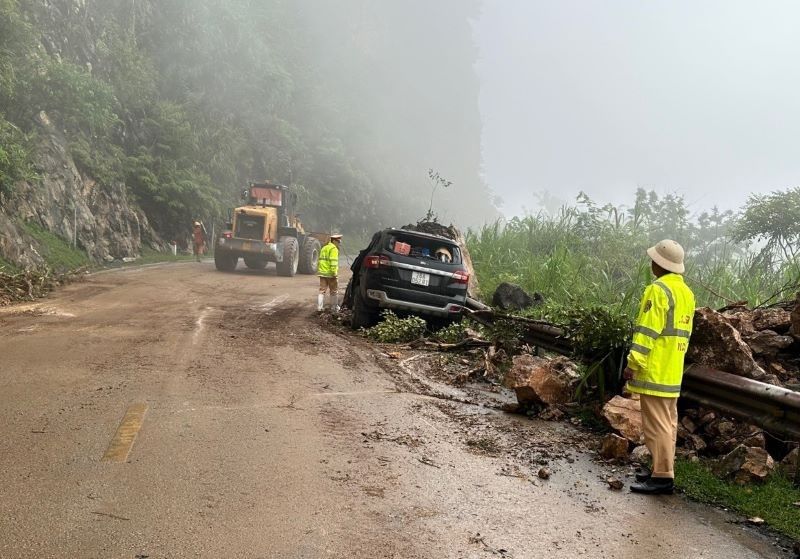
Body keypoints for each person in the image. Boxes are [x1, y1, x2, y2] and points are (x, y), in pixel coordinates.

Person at [624, 239, 695, 495]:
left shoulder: (658, 290)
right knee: (668, 424)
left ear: (659, 264)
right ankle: (660, 469)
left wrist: (633, 363)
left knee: (657, 426)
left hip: (654, 369)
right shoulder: (686, 292)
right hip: (673, 369)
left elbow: (647, 332)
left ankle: (662, 477)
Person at [317, 234, 342, 312]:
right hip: (331, 274)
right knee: (334, 291)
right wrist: (334, 273)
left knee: (322, 291)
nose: (339, 243)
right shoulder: (333, 249)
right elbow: (333, 262)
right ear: (334, 241)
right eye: (338, 241)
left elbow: (320, 261)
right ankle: (334, 308)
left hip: (322, 273)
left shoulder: (324, 248)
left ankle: (319, 308)